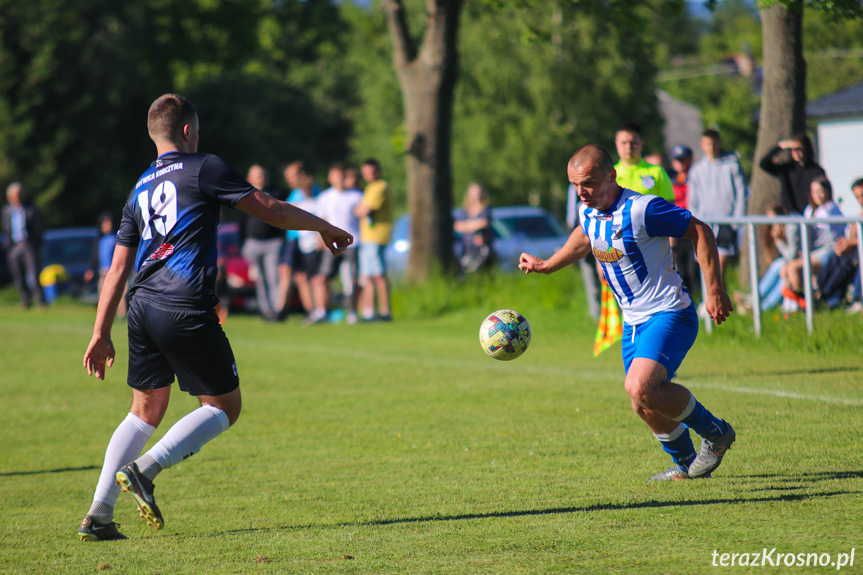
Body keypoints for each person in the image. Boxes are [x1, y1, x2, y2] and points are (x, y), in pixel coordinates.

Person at [77, 93, 352, 542]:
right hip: (184, 305)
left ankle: (98, 513)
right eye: (198, 130)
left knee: (143, 411)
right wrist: (324, 226)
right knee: (225, 406)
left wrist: (99, 332)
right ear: (188, 130)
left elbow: (117, 269)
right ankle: (145, 470)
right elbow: (271, 208)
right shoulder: (203, 166)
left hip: (141, 307)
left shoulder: (140, 186)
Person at [518, 144, 736, 482]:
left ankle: (716, 433)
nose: (581, 192)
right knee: (643, 403)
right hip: (633, 322)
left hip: (669, 312)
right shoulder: (587, 210)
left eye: (588, 183)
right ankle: (688, 466)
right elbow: (585, 236)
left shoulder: (642, 209)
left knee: (640, 387)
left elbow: (700, 229)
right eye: (575, 185)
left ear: (611, 176)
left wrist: (715, 290)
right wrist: (548, 265)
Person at [688, 130, 749, 289]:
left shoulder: (732, 165)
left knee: (719, 267)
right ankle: (717, 302)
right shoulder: (697, 170)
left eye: (714, 143)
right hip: (705, 224)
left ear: (719, 143)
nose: (712, 147)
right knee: (708, 266)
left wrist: (737, 220)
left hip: (726, 223)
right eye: (708, 144)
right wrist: (696, 222)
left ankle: (718, 301)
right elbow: (692, 200)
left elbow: (742, 193)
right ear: (702, 145)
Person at [780, 175, 844, 311]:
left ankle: (803, 303)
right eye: (814, 191)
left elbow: (826, 238)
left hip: (829, 251)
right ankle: (791, 303)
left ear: (828, 192)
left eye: (821, 191)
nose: (818, 195)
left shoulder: (831, 210)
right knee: (785, 269)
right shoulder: (810, 210)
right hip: (814, 250)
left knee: (793, 268)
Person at [310, 163, 363, 324]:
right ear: (330, 178)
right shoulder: (325, 197)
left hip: (353, 243)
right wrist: (320, 240)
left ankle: (353, 312)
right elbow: (322, 221)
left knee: (354, 280)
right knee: (324, 278)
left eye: (341, 175)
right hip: (331, 245)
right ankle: (321, 311)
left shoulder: (356, 196)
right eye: (336, 175)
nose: (339, 179)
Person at [239, 165, 285, 321]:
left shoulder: (276, 193)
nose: (260, 178)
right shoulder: (244, 196)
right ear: (249, 178)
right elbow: (241, 223)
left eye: (262, 175)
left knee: (273, 277)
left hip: (272, 242)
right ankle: (265, 311)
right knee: (259, 279)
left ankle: (277, 310)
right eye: (256, 175)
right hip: (253, 243)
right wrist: (243, 244)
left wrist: (281, 238)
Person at [814, 178, 863, 309]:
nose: (860, 200)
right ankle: (822, 293)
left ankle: (823, 295)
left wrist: (851, 242)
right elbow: (852, 236)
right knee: (835, 258)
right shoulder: (860, 215)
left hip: (858, 256)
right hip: (855, 252)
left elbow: (854, 240)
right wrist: (844, 244)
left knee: (847, 264)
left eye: (862, 195)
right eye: (857, 197)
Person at [354, 158, 393, 321]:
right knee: (368, 275)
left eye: (372, 171)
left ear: (379, 171)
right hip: (368, 236)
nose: (369, 175)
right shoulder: (370, 187)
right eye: (366, 172)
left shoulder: (380, 186)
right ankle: (370, 311)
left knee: (378, 274)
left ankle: (385, 311)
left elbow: (363, 210)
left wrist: (358, 209)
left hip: (376, 236)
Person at [277, 162, 316, 318]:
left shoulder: (309, 189)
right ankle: (309, 310)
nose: (289, 180)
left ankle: (281, 310)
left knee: (288, 272)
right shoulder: (294, 192)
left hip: (301, 238)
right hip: (292, 236)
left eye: (292, 176)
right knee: (299, 276)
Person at [2, 182, 46, 309]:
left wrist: (36, 244)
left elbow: (38, 229)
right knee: (18, 276)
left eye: (19, 194)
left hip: (28, 245)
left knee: (33, 275)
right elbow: (7, 229)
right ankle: (25, 301)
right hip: (14, 246)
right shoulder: (6, 211)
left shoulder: (30, 208)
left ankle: (41, 301)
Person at [758, 134, 825, 216]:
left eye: (799, 149)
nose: (796, 152)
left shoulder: (816, 170)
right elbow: (764, 164)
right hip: (791, 215)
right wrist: (781, 146)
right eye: (792, 149)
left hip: (812, 214)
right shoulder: (787, 169)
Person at [613, 122, 675, 203]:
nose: (628, 147)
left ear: (641, 144)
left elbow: (670, 206)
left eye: (633, 143)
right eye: (624, 143)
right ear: (617, 144)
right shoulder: (610, 174)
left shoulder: (657, 172)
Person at [668, 145, 699, 295]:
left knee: (695, 269)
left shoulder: (696, 178)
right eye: (676, 160)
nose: (680, 163)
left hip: (693, 226)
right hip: (677, 229)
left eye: (683, 159)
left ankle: (700, 298)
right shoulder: (671, 181)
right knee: (682, 269)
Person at [85, 212, 127, 318]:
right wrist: (91, 269)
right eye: (104, 225)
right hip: (102, 271)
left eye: (108, 224)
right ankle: (103, 316)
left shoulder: (115, 238)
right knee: (102, 293)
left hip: (113, 270)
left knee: (118, 293)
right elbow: (95, 256)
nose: (106, 227)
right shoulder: (100, 240)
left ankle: (121, 315)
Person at [453, 183, 493, 274]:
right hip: (466, 249)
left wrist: (466, 226)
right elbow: (457, 226)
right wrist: (475, 224)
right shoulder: (465, 211)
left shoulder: (485, 209)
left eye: (477, 192)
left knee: (481, 272)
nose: (475, 195)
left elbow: (484, 223)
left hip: (481, 249)